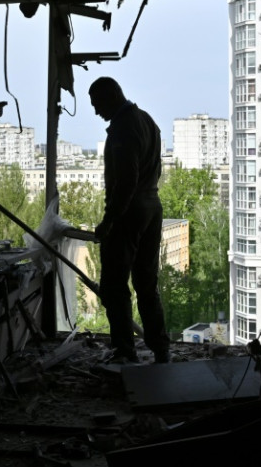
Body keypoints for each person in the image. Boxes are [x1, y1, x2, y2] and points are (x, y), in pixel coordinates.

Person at [89, 76, 171, 364]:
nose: (96, 111)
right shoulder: (148, 121)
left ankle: (125, 350)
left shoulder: (123, 129)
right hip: (151, 206)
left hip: (130, 212)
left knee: (113, 284)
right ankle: (161, 348)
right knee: (146, 282)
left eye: (97, 104)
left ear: (112, 97)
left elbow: (126, 180)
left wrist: (110, 220)